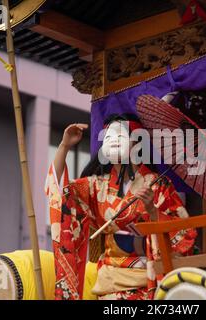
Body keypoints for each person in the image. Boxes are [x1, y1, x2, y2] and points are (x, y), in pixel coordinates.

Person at [45, 114, 197, 300]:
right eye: (108, 137)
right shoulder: (97, 186)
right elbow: (60, 193)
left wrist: (152, 211)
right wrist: (64, 147)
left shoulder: (158, 184)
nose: (113, 141)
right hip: (110, 281)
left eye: (120, 135)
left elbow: (185, 233)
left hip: (148, 278)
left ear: (136, 143)